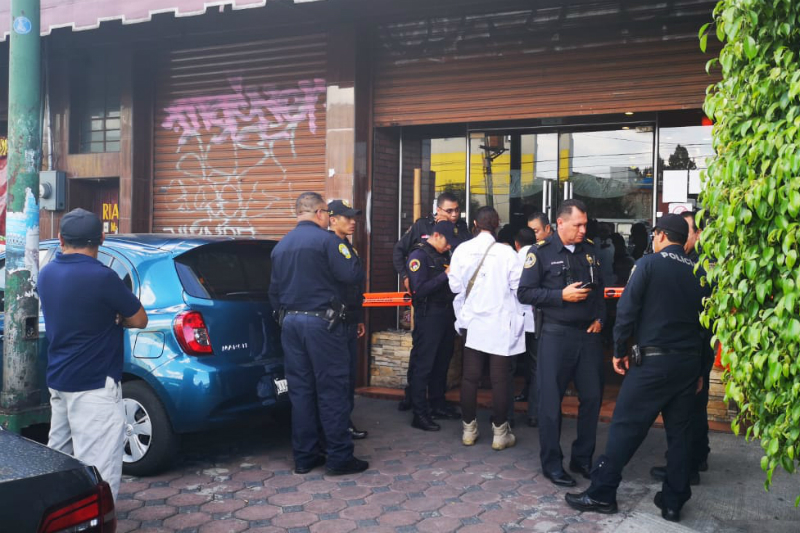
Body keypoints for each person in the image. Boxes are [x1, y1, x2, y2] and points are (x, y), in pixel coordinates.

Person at [565, 214, 710, 523]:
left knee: (625, 428)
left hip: (652, 363)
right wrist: (700, 370)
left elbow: (628, 310)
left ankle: (602, 493)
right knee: (681, 434)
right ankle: (673, 502)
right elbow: (708, 328)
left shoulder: (647, 265)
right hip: (686, 364)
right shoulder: (700, 273)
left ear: (659, 236)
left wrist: (618, 350)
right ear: (684, 239)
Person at [38, 208, 148, 501]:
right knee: (100, 466)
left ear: (60, 239)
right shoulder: (103, 278)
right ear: (101, 238)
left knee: (57, 457)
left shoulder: (47, 273)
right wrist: (117, 318)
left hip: (59, 379)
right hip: (94, 385)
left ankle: (51, 515)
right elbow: (139, 319)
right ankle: (99, 521)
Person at [269, 192, 368, 476]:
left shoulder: (280, 247)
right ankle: (339, 457)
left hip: (291, 324)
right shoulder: (329, 242)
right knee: (332, 390)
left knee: (300, 392)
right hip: (322, 325)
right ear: (321, 213)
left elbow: (273, 293)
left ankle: (305, 457)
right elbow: (352, 276)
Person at [517, 199, 606, 487]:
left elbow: (601, 290)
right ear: (560, 224)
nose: (583, 229)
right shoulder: (540, 253)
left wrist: (601, 318)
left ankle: (582, 459)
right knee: (550, 402)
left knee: (592, 398)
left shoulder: (590, 251)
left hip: (588, 336)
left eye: (585, 224)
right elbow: (525, 293)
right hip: (556, 335)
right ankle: (552, 464)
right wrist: (559, 297)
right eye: (578, 224)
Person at [449, 206, 525, 450]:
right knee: (500, 380)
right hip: (500, 322)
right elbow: (518, 287)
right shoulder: (507, 253)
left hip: (472, 321)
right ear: (497, 225)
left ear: (474, 223)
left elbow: (454, 287)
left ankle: (469, 431)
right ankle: (500, 434)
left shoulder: (462, 250)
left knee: (470, 378)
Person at [650, 210, 713, 485]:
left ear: (698, 234)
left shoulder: (702, 266)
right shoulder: (683, 262)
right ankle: (691, 461)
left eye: (685, 230)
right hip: (690, 347)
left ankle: (688, 467)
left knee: (691, 409)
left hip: (698, 347)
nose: (679, 235)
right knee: (690, 410)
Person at [394, 192, 470, 412]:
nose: (454, 214)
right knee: (423, 359)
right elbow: (401, 253)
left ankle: (437, 403)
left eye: (457, 210)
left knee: (442, 359)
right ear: (438, 210)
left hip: (449, 306)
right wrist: (407, 277)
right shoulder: (421, 231)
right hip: (429, 308)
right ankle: (416, 405)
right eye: (449, 210)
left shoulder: (460, 230)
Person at [405, 220, 461, 431]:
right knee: (424, 364)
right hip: (428, 316)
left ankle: (438, 404)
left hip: (446, 314)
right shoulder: (419, 256)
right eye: (447, 242)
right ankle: (419, 413)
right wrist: (444, 276)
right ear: (436, 235)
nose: (449, 247)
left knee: (442, 362)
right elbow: (419, 290)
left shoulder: (443, 255)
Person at [328, 199, 368, 440]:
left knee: (350, 375)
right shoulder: (331, 245)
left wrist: (359, 317)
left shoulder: (346, 245)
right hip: (336, 321)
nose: (353, 222)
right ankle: (341, 425)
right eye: (347, 218)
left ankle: (345, 420)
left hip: (350, 317)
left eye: (354, 218)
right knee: (340, 375)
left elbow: (354, 288)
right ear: (333, 219)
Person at [511, 226, 539, 428]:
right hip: (536, 320)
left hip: (513, 321)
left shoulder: (511, 258)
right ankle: (534, 414)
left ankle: (507, 414)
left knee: (508, 368)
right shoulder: (541, 256)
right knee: (536, 366)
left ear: (517, 243)